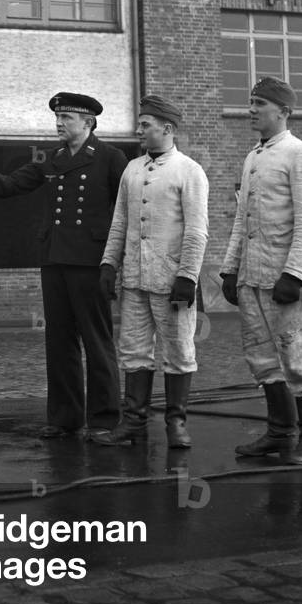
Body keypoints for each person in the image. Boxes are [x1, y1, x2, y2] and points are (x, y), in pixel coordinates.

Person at [0, 92, 127, 441]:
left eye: (67, 118)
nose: (59, 123)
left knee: (97, 340)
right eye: (58, 117)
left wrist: (116, 262)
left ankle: (105, 420)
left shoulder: (110, 158)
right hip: (55, 259)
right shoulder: (53, 159)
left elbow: (127, 211)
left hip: (91, 261)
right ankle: (65, 419)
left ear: (88, 123)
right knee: (59, 341)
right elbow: (7, 186)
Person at [221, 77, 302, 464]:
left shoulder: (300, 155)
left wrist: (295, 274)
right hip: (253, 277)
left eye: (260, 103)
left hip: (286, 280)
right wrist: (231, 270)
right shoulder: (253, 157)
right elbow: (240, 221)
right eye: (250, 102)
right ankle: (281, 432)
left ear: (283, 112)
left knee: (298, 357)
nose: (251, 109)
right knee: (263, 359)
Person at [95, 95, 209, 447]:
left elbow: (196, 229)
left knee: (178, 350)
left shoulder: (189, 171)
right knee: (133, 348)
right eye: (140, 123)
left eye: (145, 124)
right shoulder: (132, 169)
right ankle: (134, 422)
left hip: (171, 280)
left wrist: (188, 276)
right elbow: (120, 223)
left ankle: (176, 424)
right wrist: (109, 263)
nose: (138, 129)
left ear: (167, 128)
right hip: (134, 279)